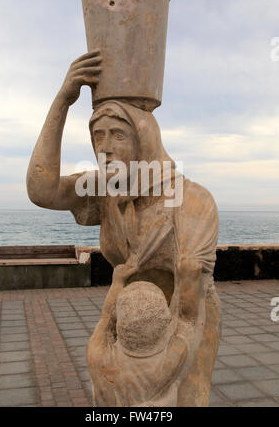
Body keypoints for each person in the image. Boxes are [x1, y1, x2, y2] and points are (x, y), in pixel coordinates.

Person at [27, 51, 221, 407]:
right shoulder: (103, 192)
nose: (105, 148)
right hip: (124, 322)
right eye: (98, 136)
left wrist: (169, 359)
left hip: (183, 319)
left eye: (117, 134)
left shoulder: (192, 200)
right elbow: (42, 190)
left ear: (144, 140)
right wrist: (63, 100)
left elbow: (190, 289)